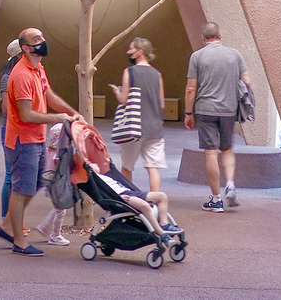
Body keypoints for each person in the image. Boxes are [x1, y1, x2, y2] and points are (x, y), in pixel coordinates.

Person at [0, 27, 83, 257]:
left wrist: (72, 113)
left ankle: (7, 225)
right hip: (23, 140)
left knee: (34, 184)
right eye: (37, 39)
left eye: (42, 37)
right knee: (20, 189)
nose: (43, 41)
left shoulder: (38, 68)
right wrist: (58, 117)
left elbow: (49, 95)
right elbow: (26, 115)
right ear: (25, 48)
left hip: (36, 138)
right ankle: (19, 241)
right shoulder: (21, 75)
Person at [184, 22, 251, 213]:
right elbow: (247, 81)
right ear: (220, 36)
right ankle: (230, 184)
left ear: (203, 38)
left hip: (206, 110)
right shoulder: (235, 54)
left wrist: (188, 113)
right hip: (228, 109)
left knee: (211, 152)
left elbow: (191, 88)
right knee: (227, 148)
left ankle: (216, 200)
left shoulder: (197, 56)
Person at [109, 37, 166, 192]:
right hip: (154, 127)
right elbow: (161, 104)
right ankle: (155, 200)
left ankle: (130, 199)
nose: (128, 52)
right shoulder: (157, 74)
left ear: (140, 52)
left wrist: (117, 91)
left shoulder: (129, 71)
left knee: (127, 166)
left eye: (131, 49)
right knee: (153, 167)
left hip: (133, 127)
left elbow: (124, 99)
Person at [90, 163, 181, 248]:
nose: (96, 164)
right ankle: (161, 232)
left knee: (162, 196)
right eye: (92, 164)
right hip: (122, 197)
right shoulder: (96, 180)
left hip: (129, 192)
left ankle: (164, 224)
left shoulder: (103, 176)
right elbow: (103, 194)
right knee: (144, 205)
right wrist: (118, 197)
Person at [0, 39, 25, 232]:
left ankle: (13, 219)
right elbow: (6, 109)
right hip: (10, 130)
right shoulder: (8, 77)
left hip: (21, 131)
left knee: (18, 175)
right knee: (11, 175)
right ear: (19, 56)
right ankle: (6, 219)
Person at [36, 123, 70, 246]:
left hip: (49, 185)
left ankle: (45, 225)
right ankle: (55, 235)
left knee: (58, 208)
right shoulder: (58, 156)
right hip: (56, 186)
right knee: (61, 210)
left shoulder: (48, 151)